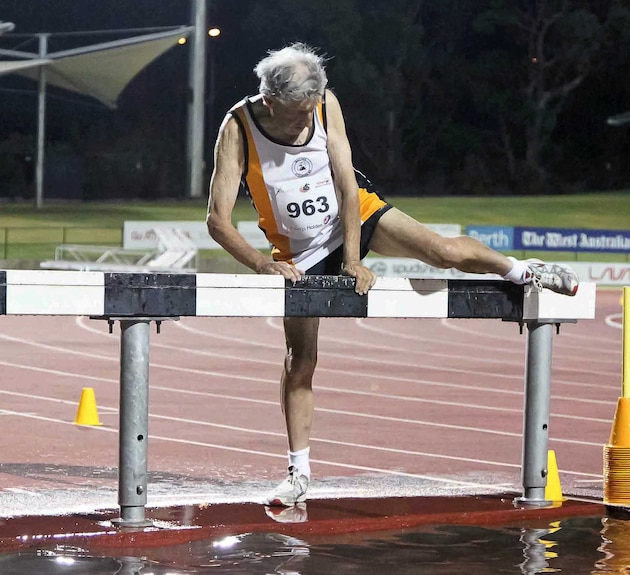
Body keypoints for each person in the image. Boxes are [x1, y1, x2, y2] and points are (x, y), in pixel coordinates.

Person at [206, 43, 578, 507]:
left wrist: (355, 257)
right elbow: (217, 220)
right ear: (272, 99)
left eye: (311, 111)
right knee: (300, 360)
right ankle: (298, 472)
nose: (307, 120)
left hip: (354, 213)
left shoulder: (324, 103)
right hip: (297, 249)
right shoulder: (238, 127)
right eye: (299, 113)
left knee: (441, 250)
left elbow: (345, 180)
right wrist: (263, 263)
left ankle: (522, 270)